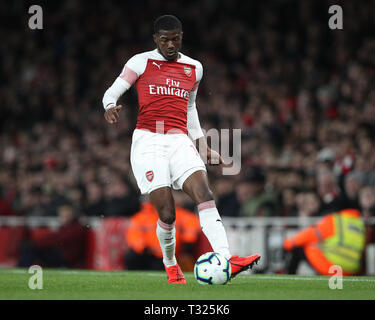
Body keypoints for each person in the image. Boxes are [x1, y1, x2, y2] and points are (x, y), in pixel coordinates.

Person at [102, 15, 260, 284]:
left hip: (178, 140)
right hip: (148, 141)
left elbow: (190, 109)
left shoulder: (194, 68)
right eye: (164, 39)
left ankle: (226, 257)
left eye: (175, 38)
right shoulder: (140, 62)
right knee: (167, 212)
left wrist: (203, 146)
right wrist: (109, 107)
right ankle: (170, 262)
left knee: (205, 193)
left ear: (181, 36)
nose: (171, 44)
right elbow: (112, 91)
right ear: (156, 39)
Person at [283, 209, 366, 276]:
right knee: (321, 247)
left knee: (300, 247)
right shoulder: (359, 224)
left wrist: (287, 244)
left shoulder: (335, 220)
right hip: (352, 270)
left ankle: (289, 277)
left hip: (333, 268)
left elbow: (309, 235)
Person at [124, 201, 201, 271]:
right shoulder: (141, 217)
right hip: (148, 254)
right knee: (131, 257)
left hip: (172, 254)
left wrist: (188, 242)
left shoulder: (180, 214)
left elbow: (191, 226)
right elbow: (133, 234)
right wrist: (143, 248)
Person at [18, 204, 88, 268]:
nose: (63, 215)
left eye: (66, 213)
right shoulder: (67, 227)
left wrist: (35, 244)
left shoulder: (76, 228)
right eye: (61, 213)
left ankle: (21, 269)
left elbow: (57, 239)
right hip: (63, 254)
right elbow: (55, 238)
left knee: (32, 249)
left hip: (67, 258)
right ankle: (22, 269)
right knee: (32, 249)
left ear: (72, 214)